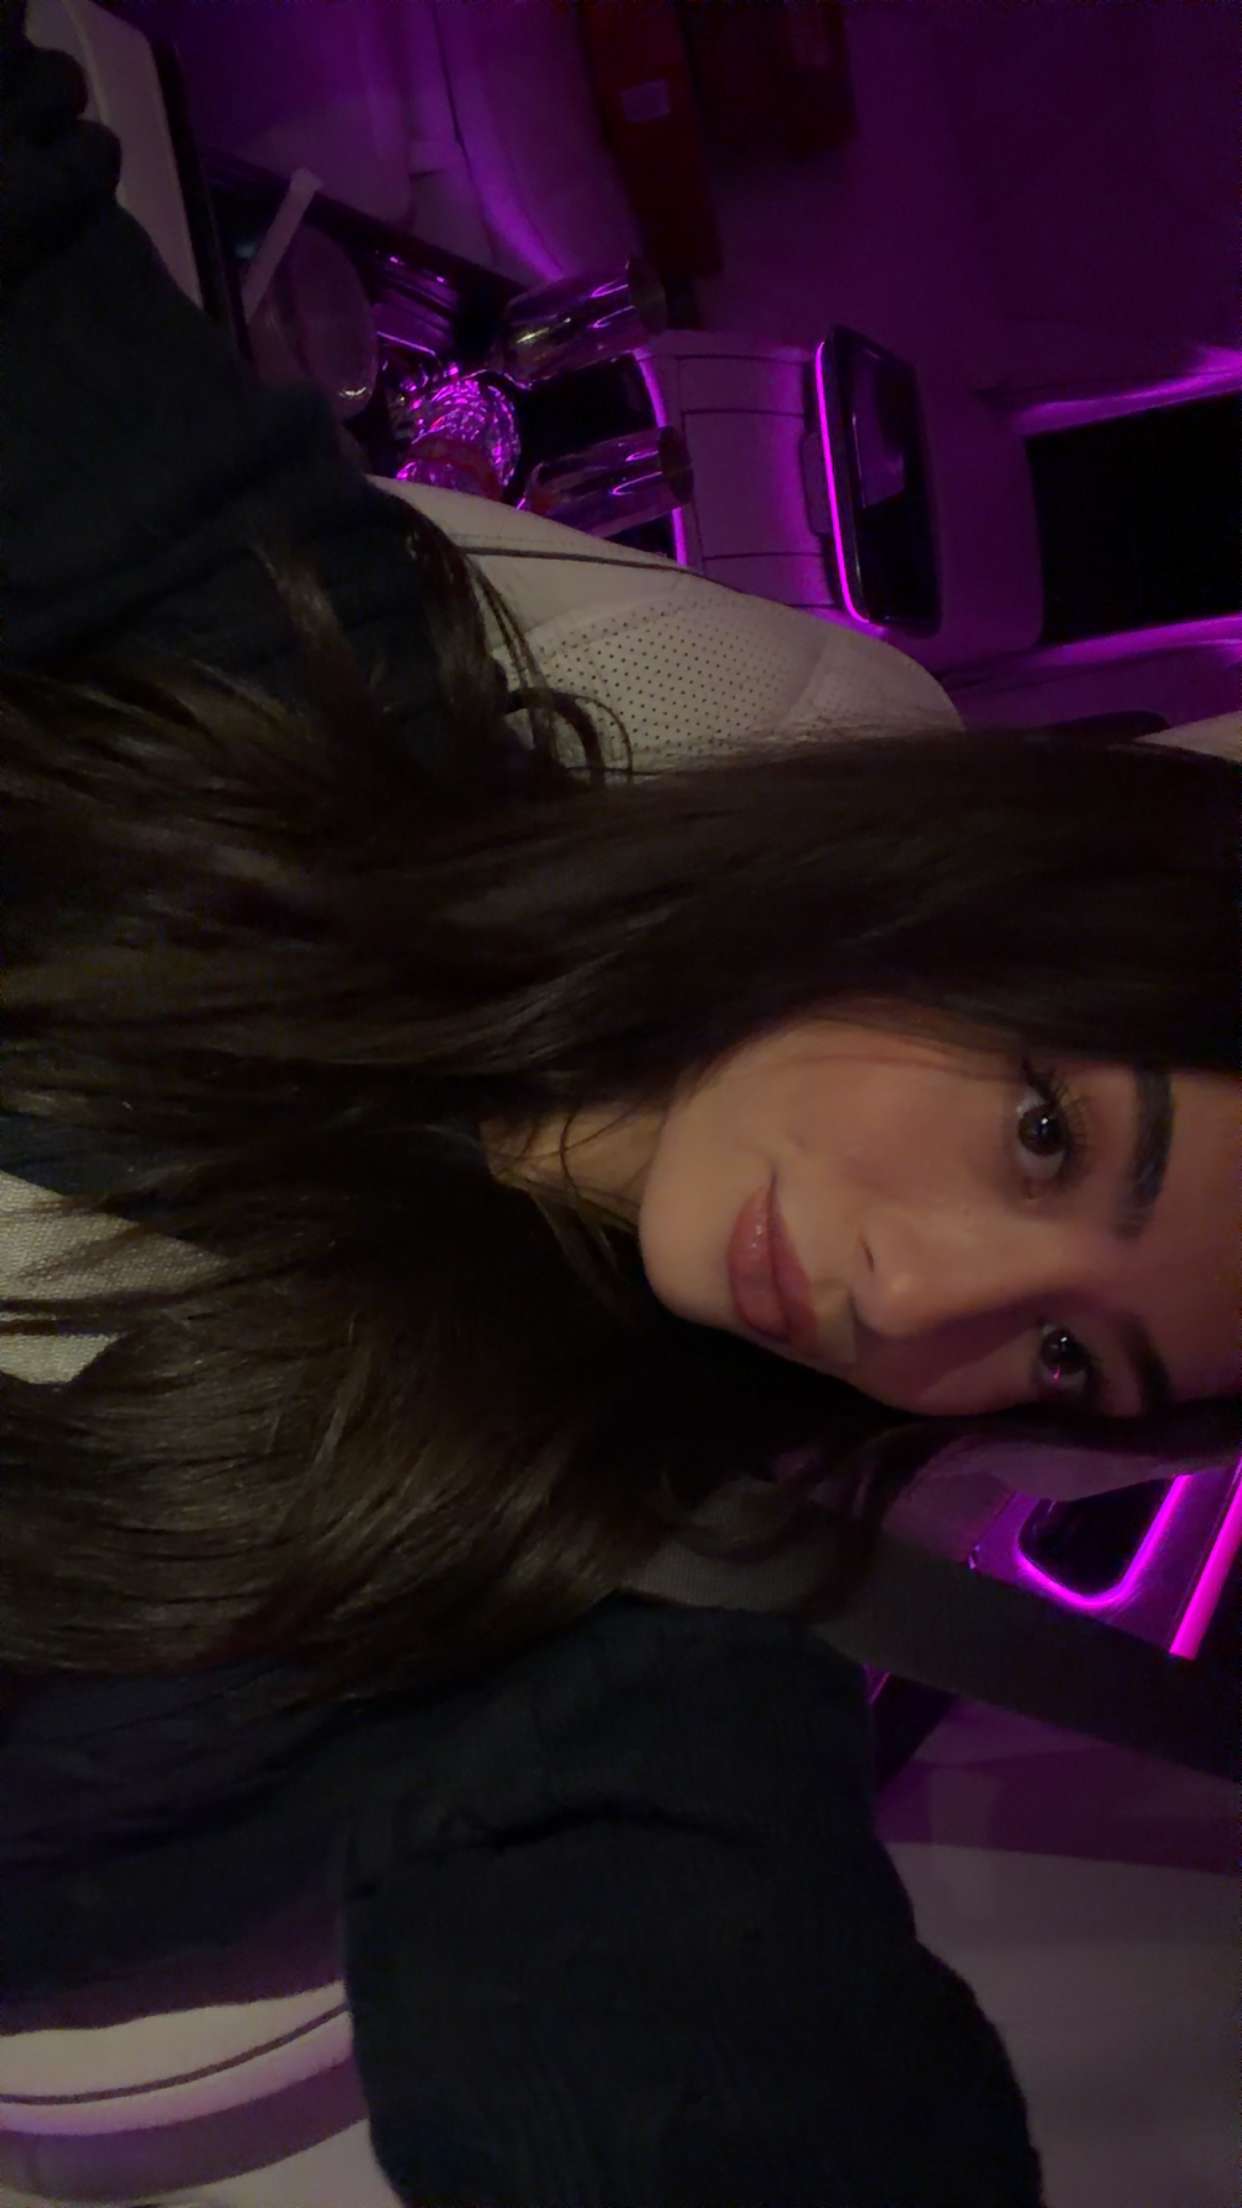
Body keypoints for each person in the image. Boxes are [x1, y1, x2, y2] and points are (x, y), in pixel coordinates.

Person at [0, 10, 1238, 2205]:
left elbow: (702, 2049)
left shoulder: (607, 1629)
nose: (914, 1302)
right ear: (971, 912)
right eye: (1045, 1134)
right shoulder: (322, 694)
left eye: (1066, 1354)